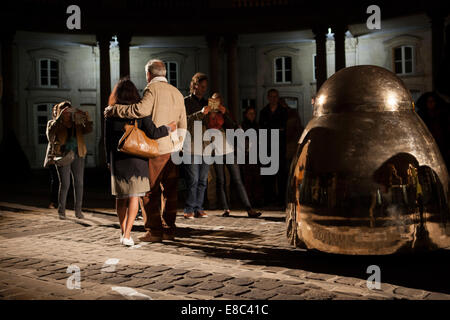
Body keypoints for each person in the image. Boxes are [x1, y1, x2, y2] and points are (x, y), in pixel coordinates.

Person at [104, 59, 186, 243]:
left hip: (156, 148)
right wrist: (179, 144)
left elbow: (139, 110)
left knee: (149, 192)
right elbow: (183, 122)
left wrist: (115, 109)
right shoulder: (177, 93)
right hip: (174, 149)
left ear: (149, 74)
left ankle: (154, 231)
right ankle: (169, 229)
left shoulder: (152, 89)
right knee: (171, 192)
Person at [207, 93, 262, 218]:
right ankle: (226, 208)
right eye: (214, 100)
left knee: (237, 180)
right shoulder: (207, 115)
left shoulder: (225, 113)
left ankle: (249, 209)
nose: (216, 103)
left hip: (229, 149)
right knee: (220, 180)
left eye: (218, 101)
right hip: (216, 151)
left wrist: (225, 112)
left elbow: (234, 125)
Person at [44, 101, 93, 220]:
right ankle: (61, 211)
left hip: (78, 154)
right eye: (64, 109)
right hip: (62, 155)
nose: (67, 112)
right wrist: (59, 117)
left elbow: (89, 129)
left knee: (79, 184)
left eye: (68, 109)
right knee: (65, 184)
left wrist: (86, 115)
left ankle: (78, 211)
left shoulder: (77, 123)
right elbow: (50, 136)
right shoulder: (53, 123)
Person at [183, 72, 211, 219]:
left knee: (202, 180)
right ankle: (189, 208)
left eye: (205, 87)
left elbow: (212, 125)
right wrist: (200, 113)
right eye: (202, 86)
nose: (204, 89)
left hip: (206, 145)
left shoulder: (207, 102)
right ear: (194, 85)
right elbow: (184, 121)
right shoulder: (186, 102)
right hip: (191, 145)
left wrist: (217, 115)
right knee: (192, 179)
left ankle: (199, 207)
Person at [259, 89, 288, 207]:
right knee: (267, 175)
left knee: (281, 174)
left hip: (280, 146)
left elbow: (285, 128)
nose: (273, 98)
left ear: (277, 97)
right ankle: (268, 198)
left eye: (275, 96)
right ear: (268, 97)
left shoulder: (283, 111)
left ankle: (281, 199)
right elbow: (262, 129)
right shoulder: (264, 112)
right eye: (271, 96)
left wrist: (272, 129)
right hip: (267, 146)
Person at [416, 92, 450, 169]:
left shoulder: (442, 114)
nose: (430, 104)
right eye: (428, 101)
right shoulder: (422, 114)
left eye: (432, 101)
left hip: (442, 145)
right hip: (428, 146)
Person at [240, 106, 264, 208]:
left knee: (257, 179)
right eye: (250, 113)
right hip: (246, 155)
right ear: (246, 114)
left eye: (253, 113)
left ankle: (257, 200)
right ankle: (248, 201)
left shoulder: (257, 125)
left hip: (256, 154)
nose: (252, 115)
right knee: (247, 180)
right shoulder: (242, 126)